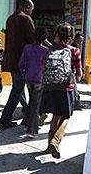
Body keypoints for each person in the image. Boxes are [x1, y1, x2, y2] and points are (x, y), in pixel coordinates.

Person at [39, 23, 83, 158]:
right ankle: (55, 141)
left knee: (55, 115)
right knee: (65, 116)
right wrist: (76, 79)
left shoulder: (48, 50)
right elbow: (79, 74)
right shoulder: (74, 51)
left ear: (57, 35)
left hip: (50, 87)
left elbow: (42, 69)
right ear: (70, 37)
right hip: (66, 87)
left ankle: (49, 146)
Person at [0, 0, 36, 130]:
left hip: (11, 60)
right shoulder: (26, 19)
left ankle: (26, 109)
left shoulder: (10, 19)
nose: (31, 12)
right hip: (22, 61)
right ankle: (5, 119)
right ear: (26, 7)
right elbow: (33, 39)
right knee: (17, 90)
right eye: (31, 9)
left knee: (18, 87)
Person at [18, 27, 49, 139]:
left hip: (28, 77)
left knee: (32, 101)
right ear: (45, 38)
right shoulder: (46, 50)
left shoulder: (27, 48)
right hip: (39, 79)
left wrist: (23, 72)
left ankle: (26, 122)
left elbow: (21, 63)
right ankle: (32, 129)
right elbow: (46, 65)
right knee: (36, 104)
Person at [71, 32, 85, 110]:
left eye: (81, 41)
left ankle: (76, 103)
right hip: (71, 71)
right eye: (79, 40)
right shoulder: (74, 49)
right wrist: (79, 72)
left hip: (73, 71)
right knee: (74, 88)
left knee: (74, 88)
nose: (80, 43)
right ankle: (76, 104)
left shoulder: (76, 48)